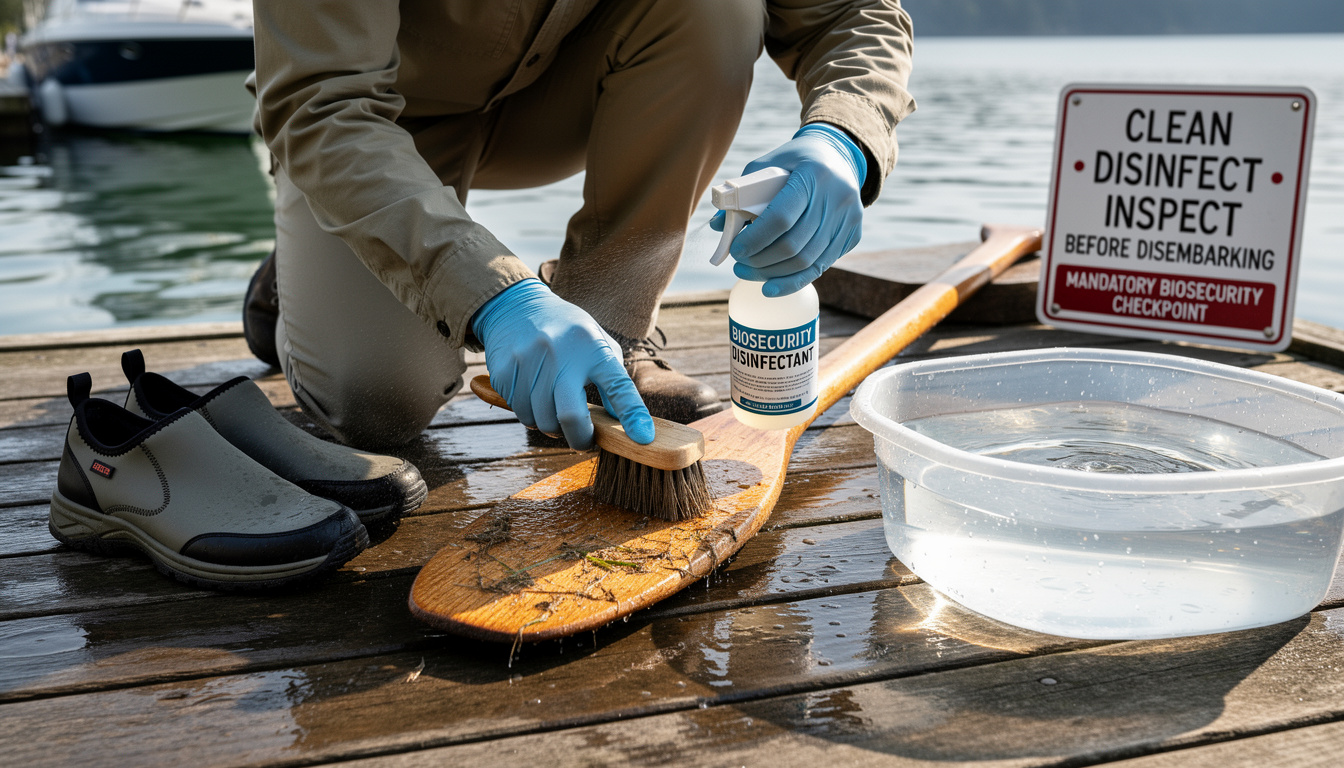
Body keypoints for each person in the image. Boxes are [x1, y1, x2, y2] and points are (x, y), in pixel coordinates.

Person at [246, 0, 915, 451]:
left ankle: (610, 324)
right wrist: (497, 298)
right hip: (372, 127)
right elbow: (321, 103)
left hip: (547, 101)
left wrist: (841, 137)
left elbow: (848, 11)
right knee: (380, 400)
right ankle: (313, 271)